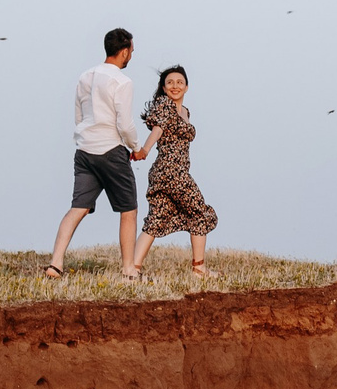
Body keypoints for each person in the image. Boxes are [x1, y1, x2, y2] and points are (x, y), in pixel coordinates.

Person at [46, 28, 153, 280]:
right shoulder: (123, 82)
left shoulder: (86, 76)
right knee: (128, 209)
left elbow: (79, 114)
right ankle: (128, 270)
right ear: (124, 51)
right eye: (132, 52)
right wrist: (136, 148)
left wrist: (85, 137)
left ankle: (55, 264)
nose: (131, 57)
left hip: (84, 150)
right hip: (110, 149)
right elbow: (125, 123)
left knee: (78, 207)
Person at [132, 65, 219, 279]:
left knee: (156, 218)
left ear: (187, 87)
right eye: (170, 82)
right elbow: (158, 129)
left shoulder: (185, 111)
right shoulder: (164, 104)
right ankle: (199, 269)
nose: (175, 86)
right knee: (200, 213)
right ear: (163, 87)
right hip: (173, 171)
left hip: (165, 173)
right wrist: (144, 150)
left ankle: (132, 271)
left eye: (180, 82)